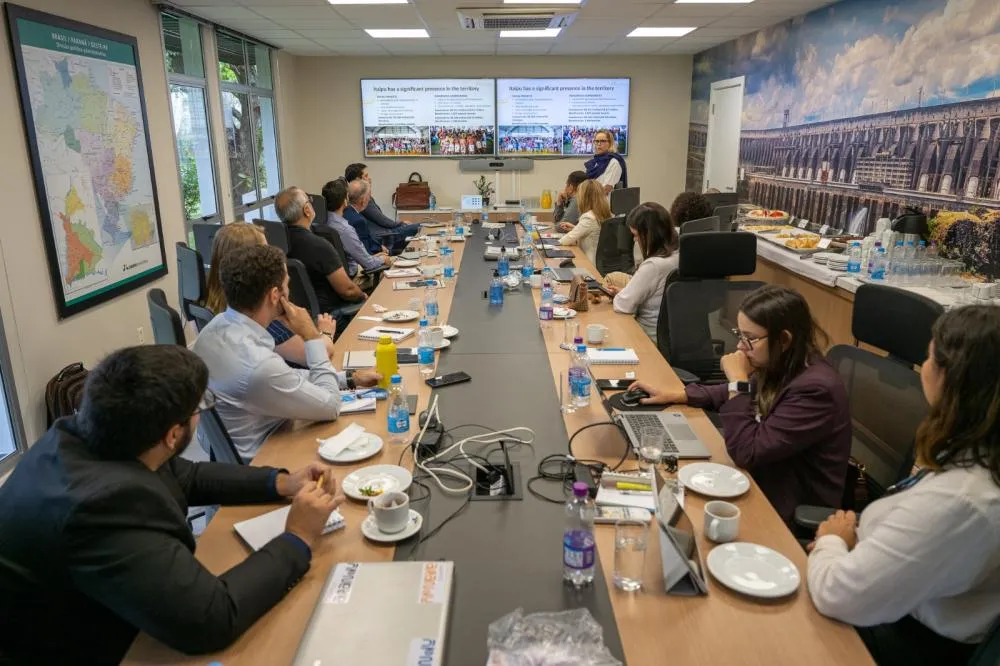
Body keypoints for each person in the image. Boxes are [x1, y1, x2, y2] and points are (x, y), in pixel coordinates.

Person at [0, 345, 344, 664]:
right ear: (172, 435)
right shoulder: (102, 508)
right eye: (197, 410)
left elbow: (188, 476)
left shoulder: (85, 434)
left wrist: (281, 482)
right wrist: (298, 536)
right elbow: (212, 618)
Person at [807, 305, 1000, 666]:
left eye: (928, 358)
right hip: (884, 592)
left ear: (950, 378)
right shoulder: (974, 450)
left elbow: (838, 595)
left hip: (892, 639)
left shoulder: (963, 501)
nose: (922, 367)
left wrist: (834, 542)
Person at [629, 285, 851, 525]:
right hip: (761, 477)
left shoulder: (816, 389)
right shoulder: (786, 362)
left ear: (784, 339)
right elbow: (734, 392)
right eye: (740, 335)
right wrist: (676, 394)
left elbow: (748, 452)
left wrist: (738, 381)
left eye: (750, 339)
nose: (740, 347)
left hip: (783, 506)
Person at [193, 243, 378, 460]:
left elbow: (287, 378)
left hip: (249, 443)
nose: (289, 292)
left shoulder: (214, 328)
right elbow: (330, 407)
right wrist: (311, 335)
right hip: (267, 459)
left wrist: (349, 378)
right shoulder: (258, 365)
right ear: (275, 295)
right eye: (287, 285)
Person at [204, 222, 338, 367]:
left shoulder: (211, 299)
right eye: (265, 250)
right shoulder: (259, 312)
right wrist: (326, 333)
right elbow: (318, 355)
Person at [278, 186, 366, 322]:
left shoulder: (278, 243)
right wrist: (364, 297)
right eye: (309, 200)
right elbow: (347, 290)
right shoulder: (319, 245)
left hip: (298, 318)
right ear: (307, 210)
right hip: (332, 316)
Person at [604, 202, 679, 344]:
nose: (635, 240)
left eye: (636, 235)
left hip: (647, 338)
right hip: (672, 338)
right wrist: (626, 292)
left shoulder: (653, 266)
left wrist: (622, 295)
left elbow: (622, 306)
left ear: (650, 235)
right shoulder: (678, 254)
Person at [321, 179, 390, 277]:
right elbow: (368, 264)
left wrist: (374, 257)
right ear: (345, 201)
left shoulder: (320, 223)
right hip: (353, 278)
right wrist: (383, 259)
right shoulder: (345, 229)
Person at [344, 162, 420, 253]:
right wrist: (402, 223)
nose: (370, 178)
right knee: (421, 226)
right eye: (366, 176)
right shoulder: (361, 199)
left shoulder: (354, 197)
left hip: (386, 233)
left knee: (418, 228)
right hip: (385, 235)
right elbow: (384, 221)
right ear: (357, 179)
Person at [558, 179, 612, 266]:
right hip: (602, 262)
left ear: (584, 197)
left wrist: (547, 244)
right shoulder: (604, 213)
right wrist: (575, 228)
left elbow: (566, 240)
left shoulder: (588, 217)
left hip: (589, 264)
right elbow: (594, 232)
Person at [584, 129, 627, 194]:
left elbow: (606, 189)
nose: (599, 144)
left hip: (605, 201)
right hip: (591, 200)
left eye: (603, 141)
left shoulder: (614, 162)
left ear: (610, 143)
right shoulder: (594, 162)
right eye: (597, 141)